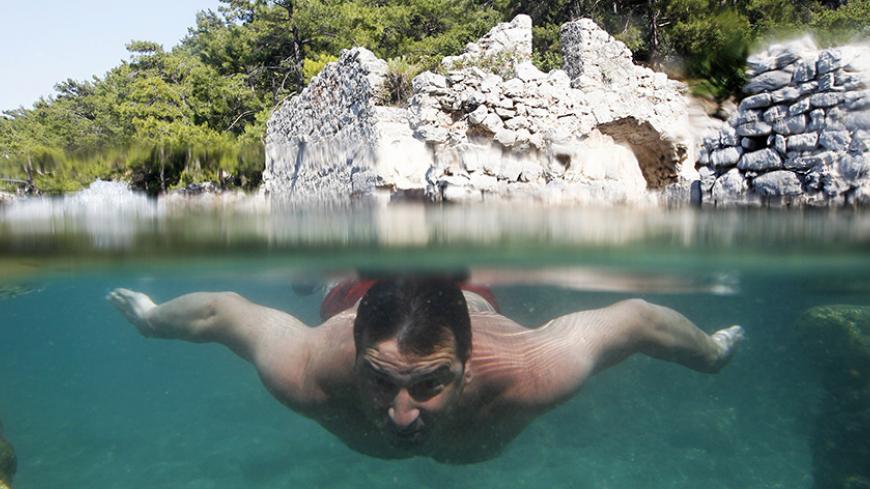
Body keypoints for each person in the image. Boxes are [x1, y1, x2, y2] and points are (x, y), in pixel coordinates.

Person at [108, 276, 744, 464]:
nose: (399, 414)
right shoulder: (308, 368)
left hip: (470, 297)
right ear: (355, 360)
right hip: (356, 297)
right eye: (379, 380)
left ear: (467, 368)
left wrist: (710, 356)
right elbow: (222, 311)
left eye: (430, 383)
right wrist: (151, 316)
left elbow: (637, 320)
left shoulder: (531, 370)